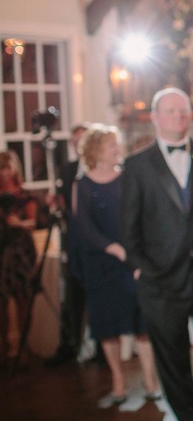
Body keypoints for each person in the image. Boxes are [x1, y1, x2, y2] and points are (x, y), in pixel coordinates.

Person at [121, 87, 193, 421]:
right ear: (155, 118)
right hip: (160, 279)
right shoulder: (137, 165)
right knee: (172, 360)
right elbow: (128, 225)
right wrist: (140, 267)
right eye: (171, 111)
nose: (179, 116)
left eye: (184, 111)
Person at [73, 124, 159, 405]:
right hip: (101, 265)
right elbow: (85, 228)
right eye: (112, 145)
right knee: (108, 327)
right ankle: (118, 385)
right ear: (97, 150)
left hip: (131, 261)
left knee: (141, 325)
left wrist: (132, 254)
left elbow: (141, 218)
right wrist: (114, 250)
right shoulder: (82, 185)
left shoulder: (127, 179)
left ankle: (150, 382)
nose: (117, 149)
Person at [45, 123, 92, 367]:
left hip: (97, 245)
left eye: (82, 140)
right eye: (75, 142)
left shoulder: (101, 169)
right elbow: (67, 210)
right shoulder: (68, 170)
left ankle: (103, 352)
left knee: (98, 298)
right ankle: (70, 346)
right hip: (74, 243)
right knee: (72, 297)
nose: (78, 145)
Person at [0, 150, 37, 368]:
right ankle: (4, 347)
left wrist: (19, 223)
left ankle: (24, 347)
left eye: (7, 167)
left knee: (24, 299)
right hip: (2, 250)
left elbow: (33, 223)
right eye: (1, 168)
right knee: (2, 303)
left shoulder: (25, 196)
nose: (4, 173)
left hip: (21, 252)